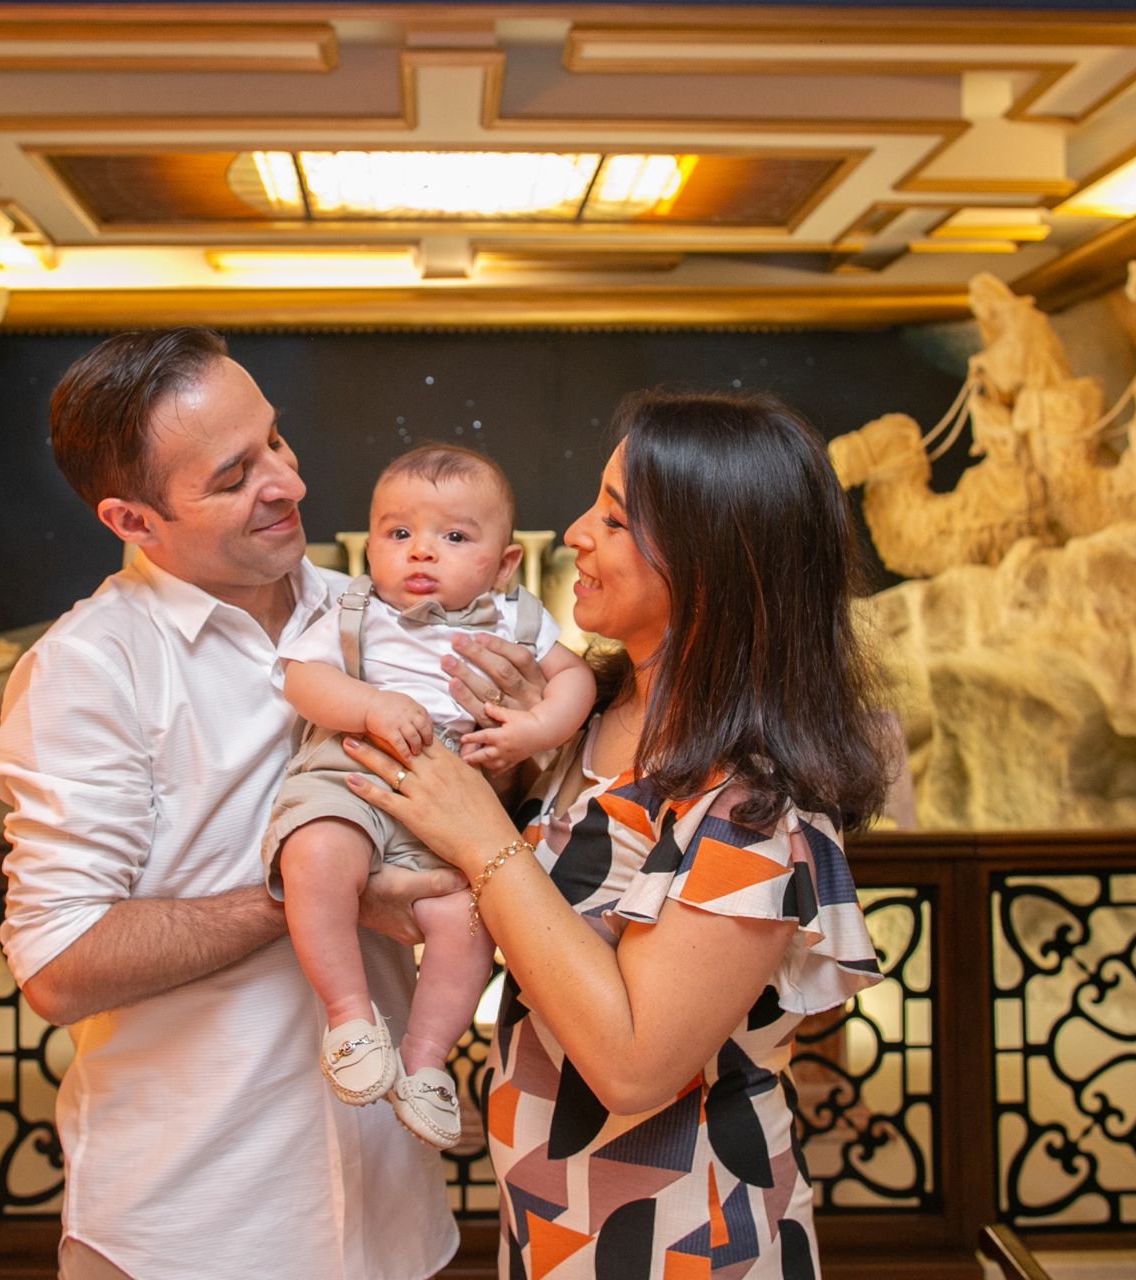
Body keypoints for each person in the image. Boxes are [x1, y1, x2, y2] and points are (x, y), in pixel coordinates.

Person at [0, 328, 541, 1279]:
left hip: (397, 1219)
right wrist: (310, 894)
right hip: (188, 1230)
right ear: (132, 520)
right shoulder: (89, 669)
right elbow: (59, 965)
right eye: (233, 475)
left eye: (275, 443)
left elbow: (486, 814)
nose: (287, 482)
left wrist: (512, 746)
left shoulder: (387, 610)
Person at [336, 389, 893, 1277]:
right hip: (551, 1221)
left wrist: (483, 836)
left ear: (713, 557)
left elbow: (635, 1066)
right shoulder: (584, 715)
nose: (578, 533)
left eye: (615, 517)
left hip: (686, 1238)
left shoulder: (756, 808)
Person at [262, 444, 596, 1149]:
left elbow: (576, 682)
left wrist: (531, 728)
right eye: (398, 533)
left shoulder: (516, 620)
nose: (420, 553)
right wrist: (369, 705)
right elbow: (300, 679)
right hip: (352, 773)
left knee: (468, 916)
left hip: (454, 801)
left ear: (504, 564)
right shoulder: (355, 609)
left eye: (453, 537)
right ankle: (350, 1015)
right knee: (317, 853)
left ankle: (425, 1060)